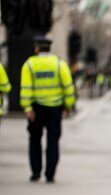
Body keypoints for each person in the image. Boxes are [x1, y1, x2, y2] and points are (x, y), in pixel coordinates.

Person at [20, 36, 76, 183]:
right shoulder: (59, 64)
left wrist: (26, 107)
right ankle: (50, 174)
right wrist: (68, 105)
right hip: (55, 108)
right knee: (53, 141)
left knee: (34, 140)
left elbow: (25, 88)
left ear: (37, 48)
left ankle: (36, 172)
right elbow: (68, 87)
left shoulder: (29, 65)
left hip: (35, 109)